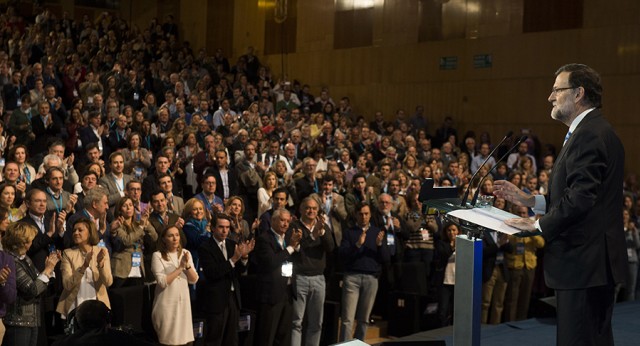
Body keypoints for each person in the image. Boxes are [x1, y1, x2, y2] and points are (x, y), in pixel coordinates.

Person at [494, 64, 627, 346]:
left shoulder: (589, 134)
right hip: (590, 264)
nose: (550, 97)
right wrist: (531, 201)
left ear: (578, 93)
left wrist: (537, 225)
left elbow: (581, 199)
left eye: (557, 89)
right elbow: (584, 194)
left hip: (584, 263)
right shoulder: (593, 130)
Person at [198, 213, 254, 346]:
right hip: (216, 300)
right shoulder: (205, 247)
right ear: (212, 228)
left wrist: (244, 258)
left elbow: (238, 272)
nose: (225, 231)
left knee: (232, 339)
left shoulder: (232, 244)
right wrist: (234, 259)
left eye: (228, 227)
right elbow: (212, 273)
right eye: (221, 227)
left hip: (234, 298)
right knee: (214, 339)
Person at [2, 222, 59, 346]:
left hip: (32, 320)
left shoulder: (25, 258)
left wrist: (48, 270)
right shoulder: (12, 261)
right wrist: (48, 269)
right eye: (30, 240)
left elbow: (39, 284)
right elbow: (32, 289)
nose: (32, 243)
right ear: (22, 242)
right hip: (18, 321)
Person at [339, 202, 389, 341]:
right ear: (356, 215)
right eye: (360, 214)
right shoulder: (349, 232)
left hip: (371, 279)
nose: (363, 216)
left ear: (370, 215)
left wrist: (379, 245)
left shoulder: (376, 232)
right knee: (347, 319)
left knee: (364, 319)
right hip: (352, 278)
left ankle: (358, 343)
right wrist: (357, 245)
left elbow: (385, 258)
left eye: (366, 214)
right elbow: (342, 255)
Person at [254, 208, 302, 346]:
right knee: (267, 336)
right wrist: (291, 247)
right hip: (271, 295)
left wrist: (296, 247)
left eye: (288, 221)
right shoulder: (264, 239)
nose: (285, 224)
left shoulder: (288, 238)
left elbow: (296, 259)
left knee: (283, 336)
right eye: (282, 220)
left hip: (287, 292)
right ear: (273, 220)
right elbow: (271, 262)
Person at [290, 197, 335, 346]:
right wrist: (313, 236)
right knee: (296, 322)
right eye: (308, 208)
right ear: (301, 210)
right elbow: (297, 250)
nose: (311, 211)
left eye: (314, 209)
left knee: (316, 323)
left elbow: (331, 248)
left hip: (319, 279)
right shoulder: (294, 226)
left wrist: (322, 232)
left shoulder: (322, 227)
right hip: (300, 278)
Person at [151, 226, 199, 346]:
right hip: (166, 307)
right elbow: (162, 282)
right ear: (163, 239)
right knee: (169, 341)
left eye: (177, 235)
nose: (175, 238)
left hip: (183, 307)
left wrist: (187, 266)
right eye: (170, 235)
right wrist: (180, 268)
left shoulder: (185, 253)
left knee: (186, 341)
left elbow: (194, 280)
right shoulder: (157, 256)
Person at [57, 219, 112, 319]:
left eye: (80, 230)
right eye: (74, 230)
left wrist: (100, 265)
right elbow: (67, 285)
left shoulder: (102, 251)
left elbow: (108, 282)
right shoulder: (68, 253)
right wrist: (83, 267)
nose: (76, 233)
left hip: (98, 306)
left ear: (90, 232)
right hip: (74, 306)